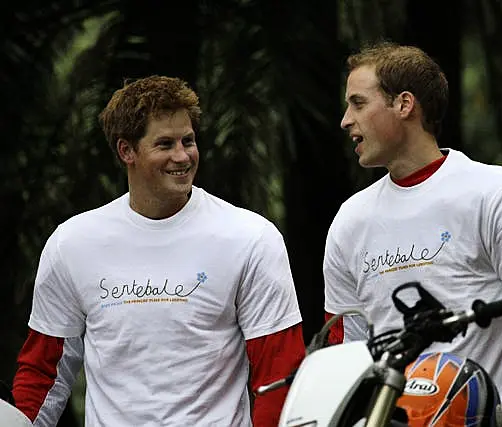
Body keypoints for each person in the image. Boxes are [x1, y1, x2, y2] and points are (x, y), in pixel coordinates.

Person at [323, 41, 502, 426]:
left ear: (405, 105)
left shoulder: (497, 194)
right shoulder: (349, 221)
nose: (345, 120)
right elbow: (343, 358)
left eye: (358, 103)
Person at [12, 75, 305, 426]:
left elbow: (277, 377)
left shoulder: (250, 237)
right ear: (127, 151)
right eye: (165, 144)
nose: (182, 156)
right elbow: (44, 374)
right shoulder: (72, 243)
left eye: (189, 141)